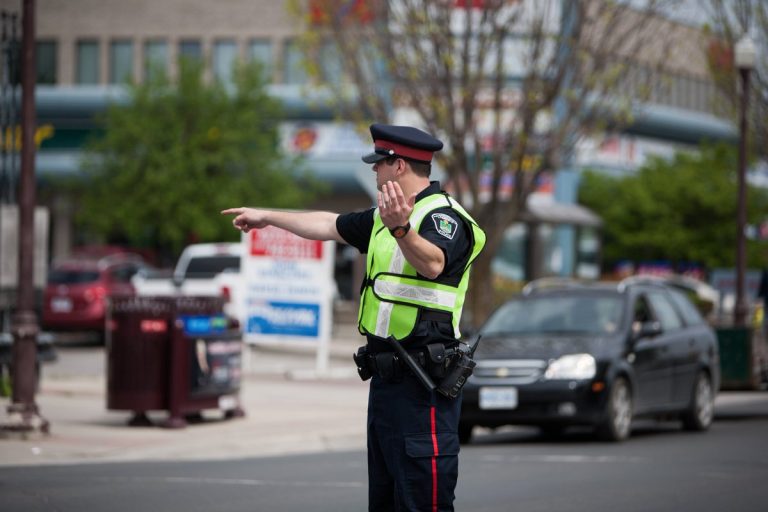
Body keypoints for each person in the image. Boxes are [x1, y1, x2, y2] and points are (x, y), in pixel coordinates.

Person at [222, 123, 486, 512]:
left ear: (398, 167)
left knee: (422, 502)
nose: (374, 172)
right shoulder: (382, 218)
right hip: (385, 385)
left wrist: (401, 228)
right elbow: (329, 224)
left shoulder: (443, 217)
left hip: (423, 385)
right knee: (385, 501)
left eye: (379, 164)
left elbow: (432, 263)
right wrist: (267, 217)